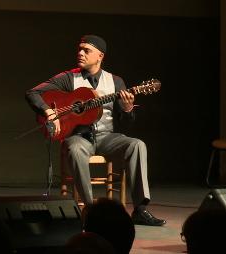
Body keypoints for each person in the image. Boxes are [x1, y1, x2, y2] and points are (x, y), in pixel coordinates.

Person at [25, 34, 165, 226]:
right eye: (79, 49)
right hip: (79, 137)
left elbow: (126, 124)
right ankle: (91, 210)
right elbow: (33, 93)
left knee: (137, 145)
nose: (80, 53)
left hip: (107, 136)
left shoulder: (115, 82)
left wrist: (127, 109)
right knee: (75, 149)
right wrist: (48, 111)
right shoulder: (68, 78)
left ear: (100, 56)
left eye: (86, 50)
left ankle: (140, 209)